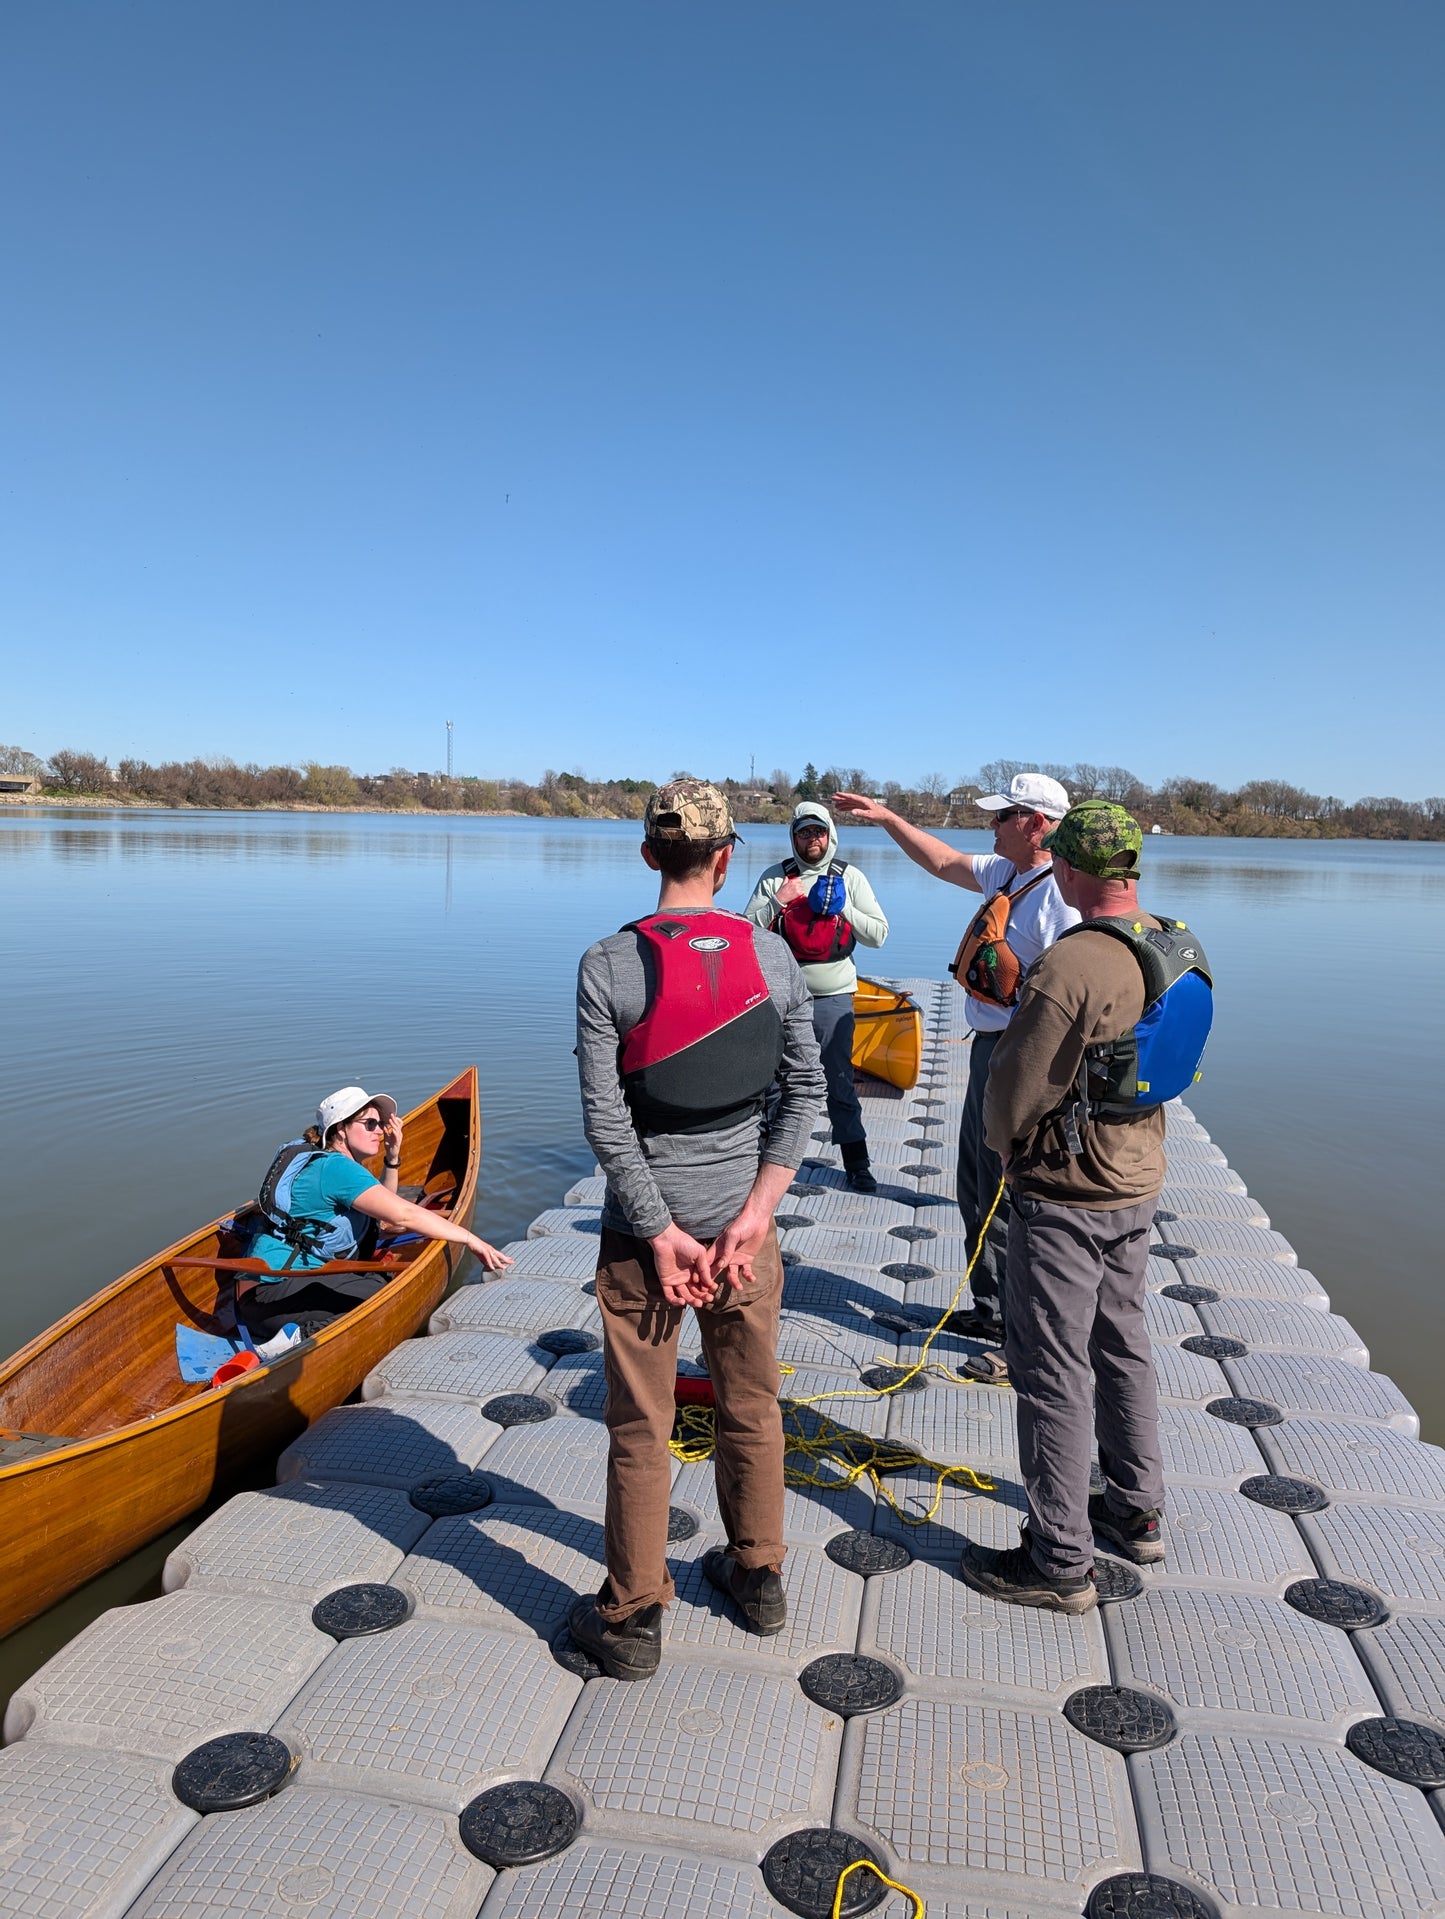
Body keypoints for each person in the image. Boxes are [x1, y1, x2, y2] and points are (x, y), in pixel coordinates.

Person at [570, 779, 825, 1679]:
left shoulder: (606, 963)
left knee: (641, 1424)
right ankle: (758, 1575)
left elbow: (605, 1118)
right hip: (743, 1238)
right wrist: (755, 1215)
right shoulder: (774, 955)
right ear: (726, 860)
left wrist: (657, 1231)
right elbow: (804, 1089)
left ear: (649, 854)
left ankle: (632, 1617)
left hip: (646, 1245)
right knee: (751, 1402)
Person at [958, 801, 1201, 1612]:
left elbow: (1014, 1088)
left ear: (1065, 866)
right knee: (1122, 1341)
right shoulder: (1173, 943)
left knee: (1050, 1365)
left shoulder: (1071, 963)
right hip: (1137, 1177)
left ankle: (1058, 1558)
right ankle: (1136, 1510)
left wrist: (1000, 1145)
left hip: (1065, 1192)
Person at [832, 774, 1078, 1370]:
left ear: (1036, 825)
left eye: (1003, 816)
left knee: (1011, 1190)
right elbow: (942, 861)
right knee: (976, 1183)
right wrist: (887, 818)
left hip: (1022, 1057)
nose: (991, 824)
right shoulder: (1008, 874)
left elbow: (1069, 998)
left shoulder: (1059, 899)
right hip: (989, 1050)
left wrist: (1035, 1079)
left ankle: (1021, 1336)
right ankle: (991, 1309)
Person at [237, 1086, 512, 1338]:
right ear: (341, 1129)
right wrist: (470, 1239)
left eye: (380, 1124)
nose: (379, 1131)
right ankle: (295, 1341)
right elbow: (403, 1215)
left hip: (268, 1294)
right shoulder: (336, 1169)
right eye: (370, 1124)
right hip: (270, 1297)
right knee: (386, 1295)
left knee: (377, 1278)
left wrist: (392, 1157)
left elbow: (382, 1217)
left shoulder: (328, 1162)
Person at [743, 801, 889, 1192]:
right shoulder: (775, 878)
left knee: (839, 1082)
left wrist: (845, 909)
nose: (812, 839)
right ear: (793, 837)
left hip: (833, 998)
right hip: (782, 999)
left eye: (818, 832)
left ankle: (857, 1163)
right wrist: (779, 901)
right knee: (774, 1085)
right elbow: (745, 934)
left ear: (830, 835)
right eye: (804, 832)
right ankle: (767, 1163)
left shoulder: (850, 877)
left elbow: (879, 935)